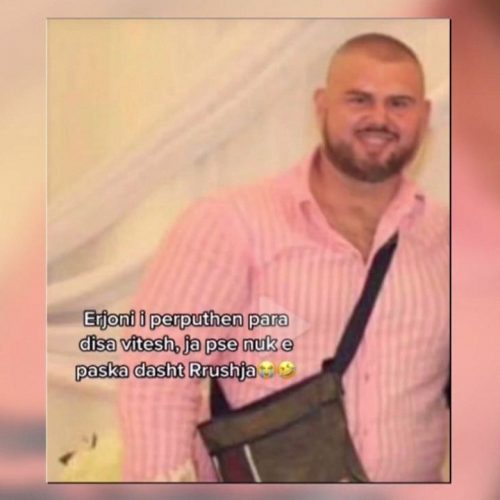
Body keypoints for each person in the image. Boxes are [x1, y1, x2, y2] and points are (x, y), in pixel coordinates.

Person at [120, 32, 449, 482]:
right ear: (321, 106)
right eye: (359, 100)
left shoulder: (450, 239)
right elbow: (156, 379)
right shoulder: (229, 224)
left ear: (424, 116)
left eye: (399, 103)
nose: (379, 118)